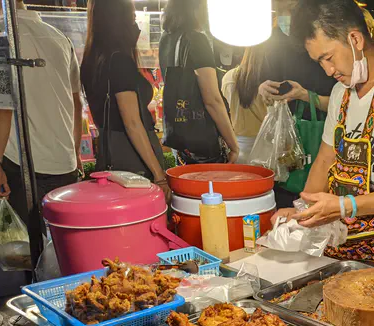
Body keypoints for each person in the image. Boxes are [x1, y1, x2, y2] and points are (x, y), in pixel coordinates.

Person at [277, 0, 374, 268]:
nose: (327, 70)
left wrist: (344, 206)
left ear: (355, 39)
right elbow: (326, 159)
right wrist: (303, 209)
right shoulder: (341, 93)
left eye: (328, 57)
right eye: (319, 62)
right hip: (340, 239)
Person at [0, 0, 82, 230]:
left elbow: (2, 108)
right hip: (64, 162)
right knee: (60, 247)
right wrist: (75, 152)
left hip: (19, 165)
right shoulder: (60, 38)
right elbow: (76, 103)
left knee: (20, 249)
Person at [80, 0, 169, 199]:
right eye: (132, 19)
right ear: (119, 21)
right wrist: (159, 175)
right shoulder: (119, 60)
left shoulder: (92, 59)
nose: (135, 26)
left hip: (109, 152)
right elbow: (132, 123)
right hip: (133, 159)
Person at [255, 0, 337, 208]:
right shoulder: (275, 43)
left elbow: (345, 105)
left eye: (291, 9)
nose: (286, 17)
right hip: (286, 154)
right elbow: (267, 91)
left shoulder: (329, 49)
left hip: (326, 150)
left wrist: (305, 96)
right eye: (280, 10)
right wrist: (264, 89)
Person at [159, 0, 238, 164]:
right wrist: (233, 145)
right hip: (202, 143)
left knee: (186, 187)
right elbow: (212, 100)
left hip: (179, 139)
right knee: (210, 189)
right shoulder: (197, 40)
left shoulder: (166, 39)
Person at [221, 46, 267, 164]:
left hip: (235, 146)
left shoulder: (228, 77)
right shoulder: (268, 81)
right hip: (264, 149)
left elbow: (223, 111)